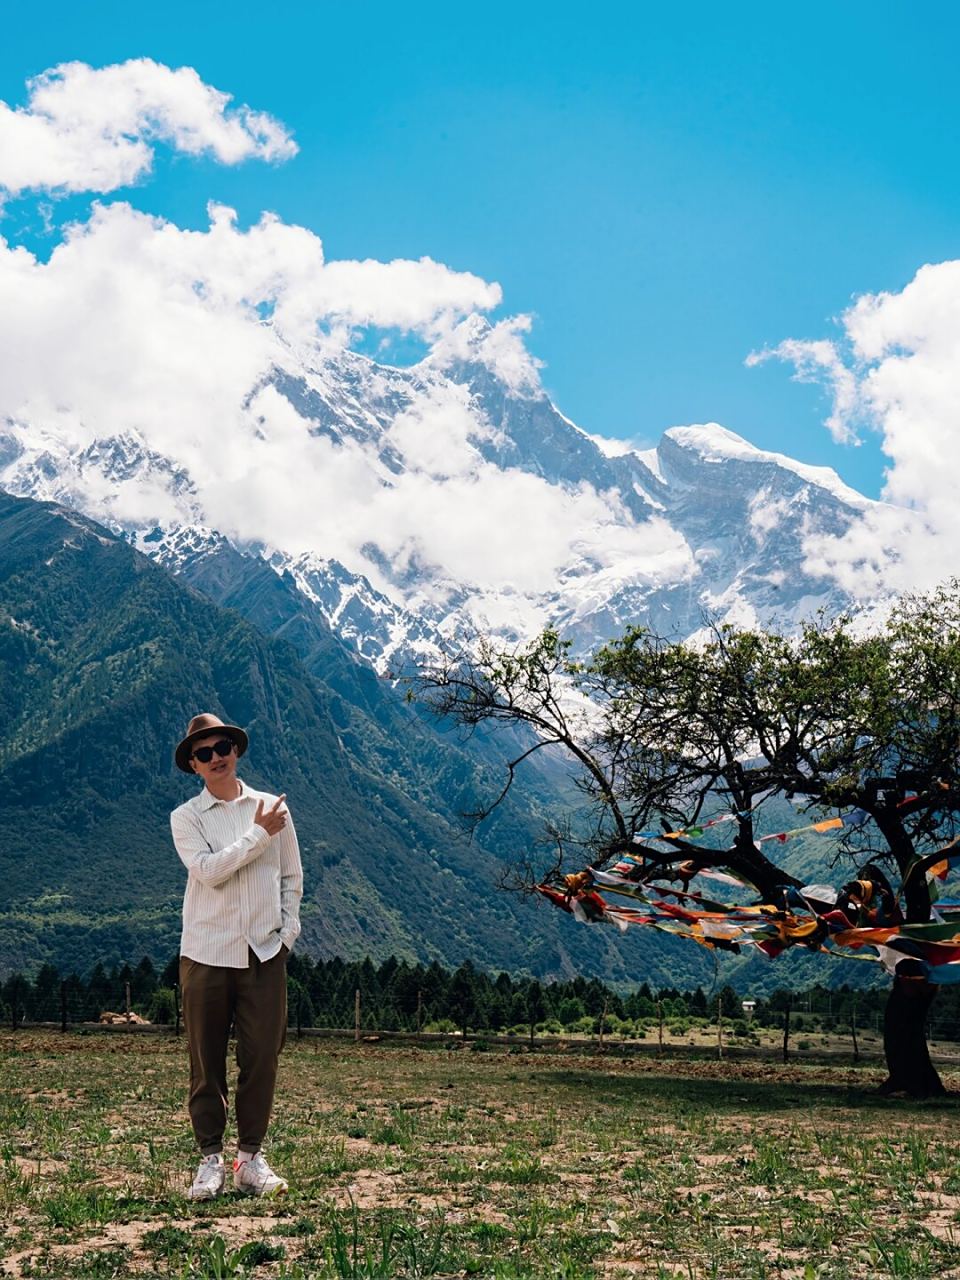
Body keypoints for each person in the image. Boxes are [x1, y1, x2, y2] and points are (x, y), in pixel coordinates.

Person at [170, 712, 303, 1200]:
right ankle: (210, 1160)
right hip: (205, 953)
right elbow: (209, 871)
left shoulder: (273, 807)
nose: (216, 757)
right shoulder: (186, 818)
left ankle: (249, 1159)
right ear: (194, 766)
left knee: (262, 1058)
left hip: (264, 953)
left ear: (236, 750)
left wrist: (287, 934)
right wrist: (258, 834)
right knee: (205, 1062)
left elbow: (292, 876)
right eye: (204, 753)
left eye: (222, 746)